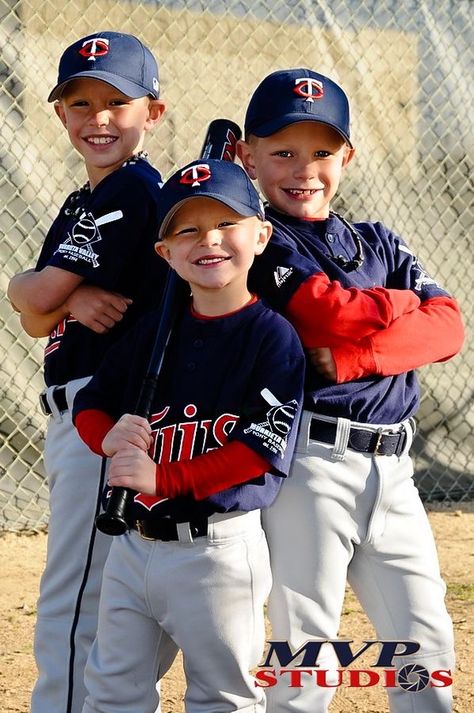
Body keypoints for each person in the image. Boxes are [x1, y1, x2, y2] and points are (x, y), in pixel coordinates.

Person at [237, 68, 464, 713]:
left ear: (348, 157)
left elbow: (447, 328)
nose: (303, 169)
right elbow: (327, 311)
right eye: (282, 152)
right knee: (307, 646)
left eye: (322, 152)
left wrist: (355, 357)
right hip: (310, 460)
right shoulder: (260, 239)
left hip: (395, 468)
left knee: (424, 641)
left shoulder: (379, 240)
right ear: (249, 157)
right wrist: (399, 305)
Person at [71, 158, 305, 713]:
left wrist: (164, 476)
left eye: (226, 224)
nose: (210, 241)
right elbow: (91, 402)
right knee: (112, 692)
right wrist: (107, 438)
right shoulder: (154, 332)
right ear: (165, 253)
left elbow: (256, 452)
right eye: (188, 230)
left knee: (222, 697)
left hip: (217, 549)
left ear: (261, 234)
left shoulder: (272, 338)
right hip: (132, 542)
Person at [7, 31, 170, 713]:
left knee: (78, 592)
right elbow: (35, 312)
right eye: (80, 102)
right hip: (95, 412)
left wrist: (50, 291)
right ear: (60, 114)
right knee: (114, 587)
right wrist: (66, 293)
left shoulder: (129, 191)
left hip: (101, 413)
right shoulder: (88, 197)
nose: (97, 118)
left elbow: (32, 298)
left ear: (151, 113)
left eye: (116, 102)